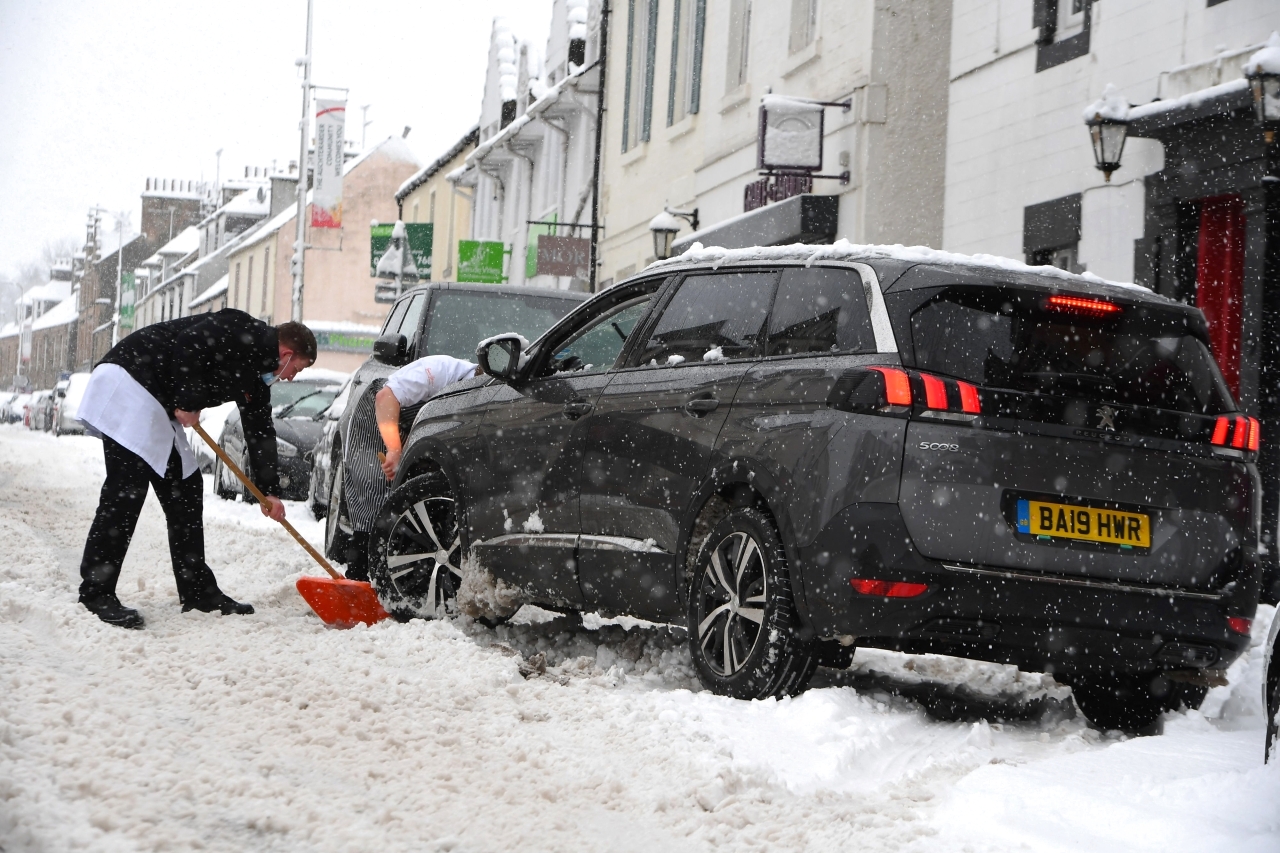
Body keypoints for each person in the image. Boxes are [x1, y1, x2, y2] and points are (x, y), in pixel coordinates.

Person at [76, 309, 316, 629]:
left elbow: (259, 431)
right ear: (287, 354)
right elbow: (189, 343)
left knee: (186, 489)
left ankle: (198, 591)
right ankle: (95, 592)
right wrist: (189, 401)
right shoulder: (239, 327)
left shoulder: (255, 377)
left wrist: (268, 490)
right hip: (131, 381)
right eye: (296, 369)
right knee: (126, 491)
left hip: (159, 400)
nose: (290, 377)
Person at [339, 354, 480, 581]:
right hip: (380, 418)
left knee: (408, 505)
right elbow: (385, 398)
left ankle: (398, 579)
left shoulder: (479, 400)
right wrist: (394, 449)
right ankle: (359, 579)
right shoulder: (442, 369)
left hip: (415, 431)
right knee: (376, 501)